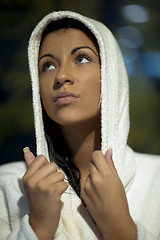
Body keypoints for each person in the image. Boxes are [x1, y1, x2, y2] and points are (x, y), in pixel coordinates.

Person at [0, 10, 160, 240]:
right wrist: (37, 227)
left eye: (82, 58)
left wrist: (121, 229)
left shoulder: (156, 179)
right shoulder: (8, 185)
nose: (61, 75)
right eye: (48, 65)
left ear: (111, 73)